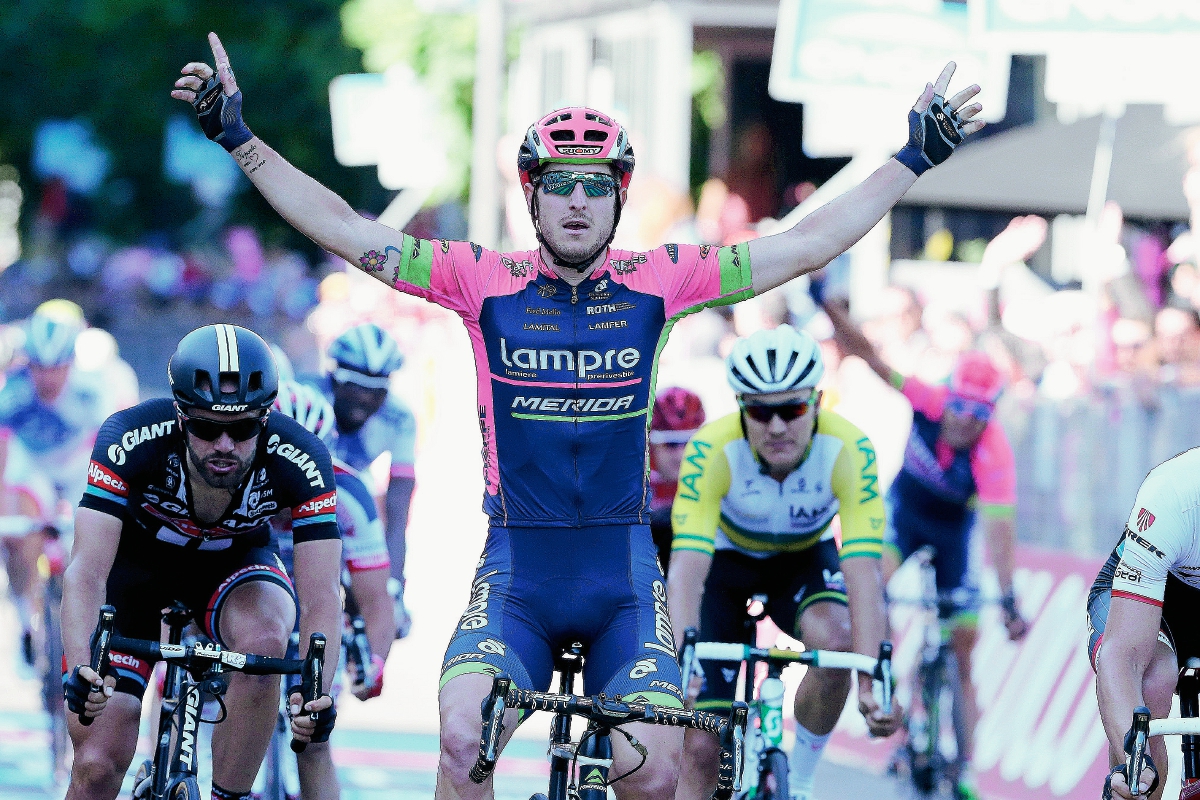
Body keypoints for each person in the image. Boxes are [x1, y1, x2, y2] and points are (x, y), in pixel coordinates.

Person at [172, 35, 983, 799]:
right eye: (558, 181)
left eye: (597, 183)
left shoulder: (664, 278)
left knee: (655, 771)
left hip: (622, 576)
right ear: (530, 194)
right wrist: (241, 139)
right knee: (460, 742)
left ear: (621, 198)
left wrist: (911, 158)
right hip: (517, 574)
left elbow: (806, 244)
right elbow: (348, 230)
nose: (577, 199)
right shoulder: (475, 276)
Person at [60, 325, 341, 800]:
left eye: (243, 429)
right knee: (97, 764)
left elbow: (320, 596)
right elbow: (86, 570)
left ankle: (229, 795)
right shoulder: (129, 436)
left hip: (232, 564)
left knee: (267, 640)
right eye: (208, 428)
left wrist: (317, 691)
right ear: (180, 415)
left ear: (267, 418)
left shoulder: (303, 458)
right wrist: (84, 669)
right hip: (136, 571)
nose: (225, 445)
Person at [668, 325, 900, 800]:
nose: (776, 427)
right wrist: (683, 658)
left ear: (816, 402)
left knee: (836, 643)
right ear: (741, 411)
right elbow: (688, 565)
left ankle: (801, 782)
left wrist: (873, 678)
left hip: (801, 560)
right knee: (700, 745)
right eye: (760, 411)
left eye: (792, 409)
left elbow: (862, 572)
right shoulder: (712, 448)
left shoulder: (849, 449)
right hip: (725, 567)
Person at [825, 301, 1027, 800]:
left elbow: (1000, 533)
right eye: (960, 405)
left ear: (991, 414)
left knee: (963, 652)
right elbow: (870, 358)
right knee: (873, 586)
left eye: (979, 413)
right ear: (950, 396)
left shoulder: (993, 452)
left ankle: (966, 769)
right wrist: (830, 310)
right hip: (904, 518)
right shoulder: (929, 400)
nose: (964, 419)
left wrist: (1008, 598)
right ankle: (888, 681)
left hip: (954, 537)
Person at [267, 380, 395, 800]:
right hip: (247, 606)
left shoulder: (350, 493)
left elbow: (376, 599)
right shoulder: (232, 478)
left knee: (313, 740)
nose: (294, 476)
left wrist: (374, 661)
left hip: (316, 612)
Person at [0, 301, 108, 667]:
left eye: (56, 368)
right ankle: (26, 614)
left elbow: (112, 449)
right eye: (38, 368)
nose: (46, 378)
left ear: (70, 364)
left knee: (94, 536)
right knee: (16, 529)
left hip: (78, 466)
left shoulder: (93, 392)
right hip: (31, 465)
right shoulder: (11, 392)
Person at [1087, 451, 1200, 800]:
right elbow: (1123, 656)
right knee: (1153, 680)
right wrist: (1135, 762)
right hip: (1156, 597)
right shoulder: (1174, 492)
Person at [312, 323, 416, 639]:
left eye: (377, 390)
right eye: (355, 385)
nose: (365, 399)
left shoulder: (400, 418)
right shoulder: (307, 400)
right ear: (333, 377)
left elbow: (398, 513)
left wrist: (393, 587)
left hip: (351, 490)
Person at [648, 387, 705, 572]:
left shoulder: (717, 474)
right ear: (650, 443)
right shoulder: (630, 481)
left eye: (688, 442)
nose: (680, 455)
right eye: (670, 444)